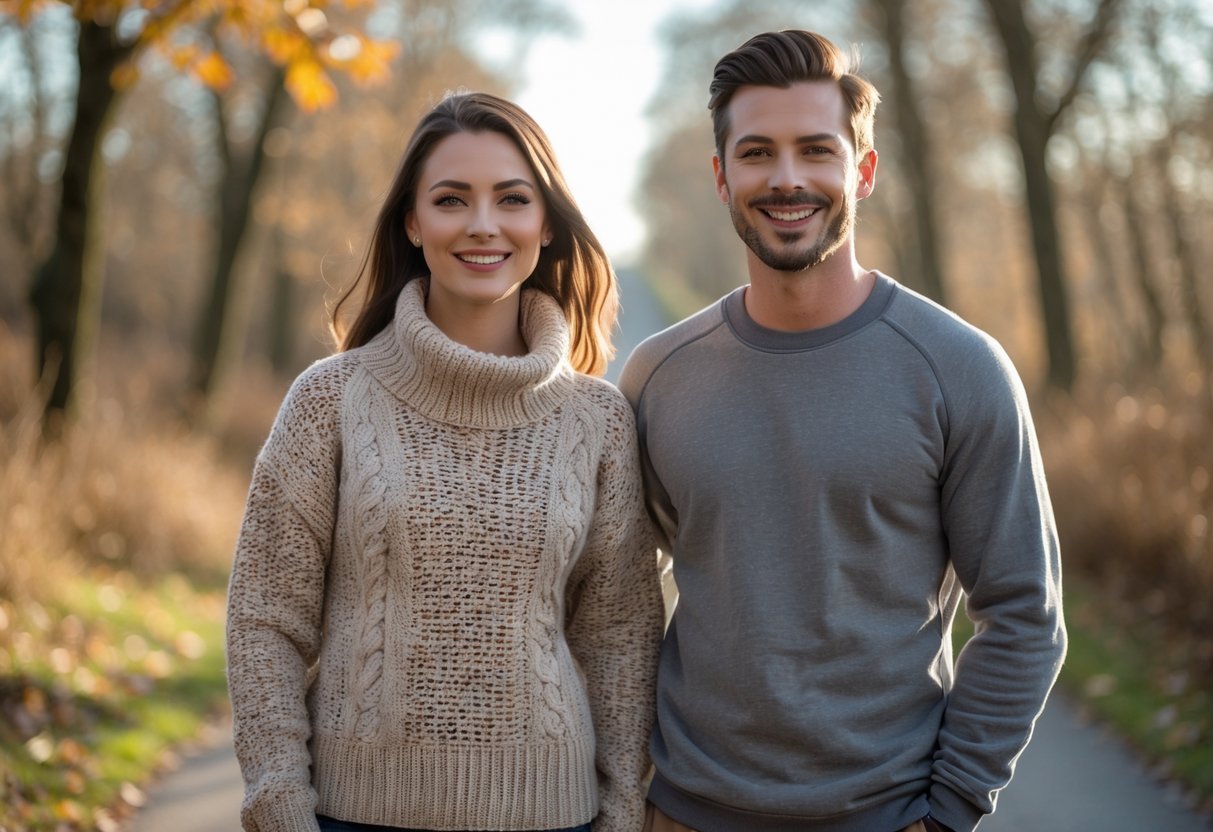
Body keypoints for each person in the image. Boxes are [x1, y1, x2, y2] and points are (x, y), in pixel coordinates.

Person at [618, 29, 1066, 832]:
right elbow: (615, 600)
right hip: (683, 813)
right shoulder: (659, 374)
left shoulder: (957, 368)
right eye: (756, 153)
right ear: (721, 177)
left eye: (814, 150)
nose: (786, 178)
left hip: (888, 816)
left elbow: (1023, 609)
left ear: (861, 169)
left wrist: (950, 805)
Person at [226, 91, 664, 832]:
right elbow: (264, 621)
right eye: (451, 199)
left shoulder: (598, 420)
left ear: (546, 224)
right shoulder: (330, 399)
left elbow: (621, 635)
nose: (482, 224)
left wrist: (623, 810)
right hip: (350, 817)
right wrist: (280, 810)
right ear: (412, 220)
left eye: (511, 199)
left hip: (553, 818)